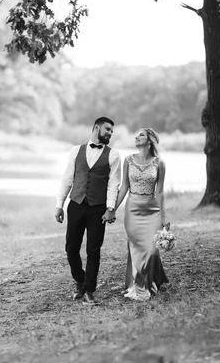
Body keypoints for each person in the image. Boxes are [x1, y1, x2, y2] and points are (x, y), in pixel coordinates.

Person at [55, 117, 121, 305]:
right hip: (76, 204)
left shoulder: (114, 155)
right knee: (71, 249)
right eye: (107, 129)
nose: (109, 133)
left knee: (93, 250)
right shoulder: (76, 151)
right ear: (96, 128)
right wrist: (59, 205)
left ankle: (90, 291)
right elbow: (67, 178)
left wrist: (110, 208)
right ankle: (80, 281)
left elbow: (114, 183)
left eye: (111, 131)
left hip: (98, 208)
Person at [114, 128, 169, 301]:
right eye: (136, 135)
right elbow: (124, 187)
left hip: (152, 210)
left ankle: (149, 281)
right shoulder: (128, 160)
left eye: (141, 135)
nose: (136, 137)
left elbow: (159, 192)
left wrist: (164, 217)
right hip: (132, 209)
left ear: (150, 140)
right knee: (136, 248)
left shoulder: (159, 163)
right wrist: (112, 209)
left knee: (151, 249)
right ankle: (138, 286)